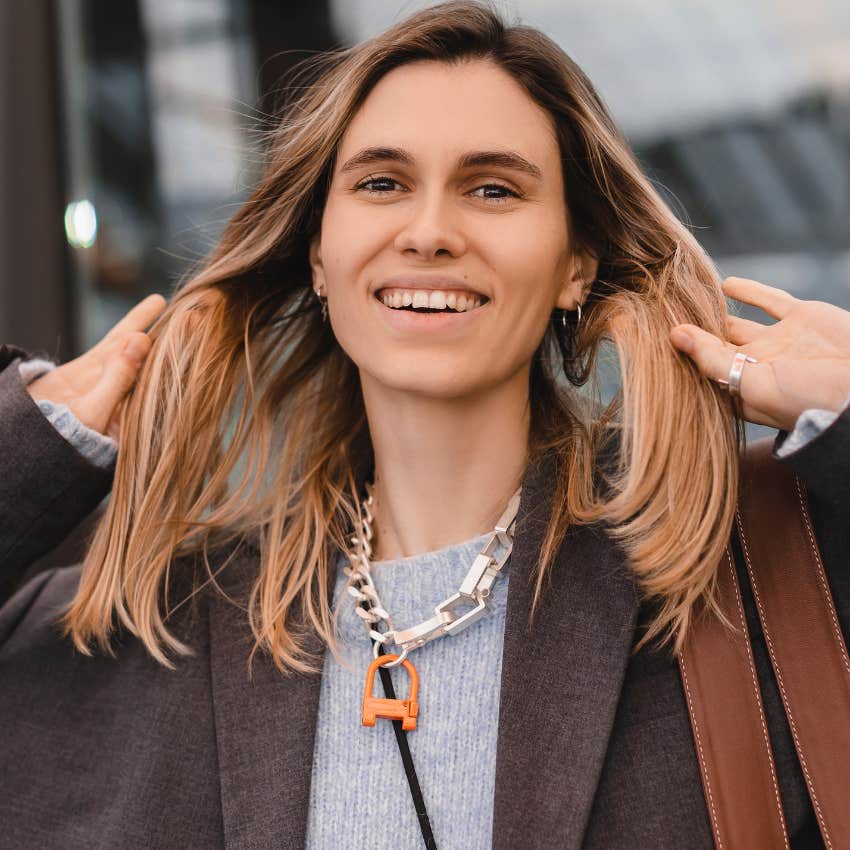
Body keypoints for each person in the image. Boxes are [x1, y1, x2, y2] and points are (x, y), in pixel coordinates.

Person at [1, 2, 848, 848]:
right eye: (380, 183)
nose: (432, 232)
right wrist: (29, 447)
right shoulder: (161, 625)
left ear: (573, 266)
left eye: (493, 189)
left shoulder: (742, 563)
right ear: (320, 257)